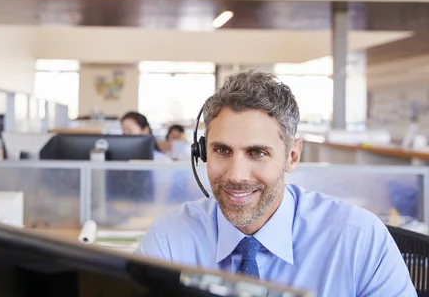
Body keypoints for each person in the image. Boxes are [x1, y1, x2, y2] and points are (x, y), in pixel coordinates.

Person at [136, 71, 415, 297]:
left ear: (292, 156)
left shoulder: (359, 239)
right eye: (222, 150)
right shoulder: (170, 239)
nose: (236, 175)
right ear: (202, 151)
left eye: (257, 153)